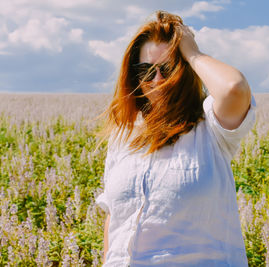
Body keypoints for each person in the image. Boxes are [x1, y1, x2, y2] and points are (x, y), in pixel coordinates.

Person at [95, 10, 256, 267]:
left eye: (167, 69)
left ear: (184, 71)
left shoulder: (210, 128)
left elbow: (233, 89)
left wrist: (191, 51)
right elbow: (115, 220)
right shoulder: (124, 136)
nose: (156, 79)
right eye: (145, 70)